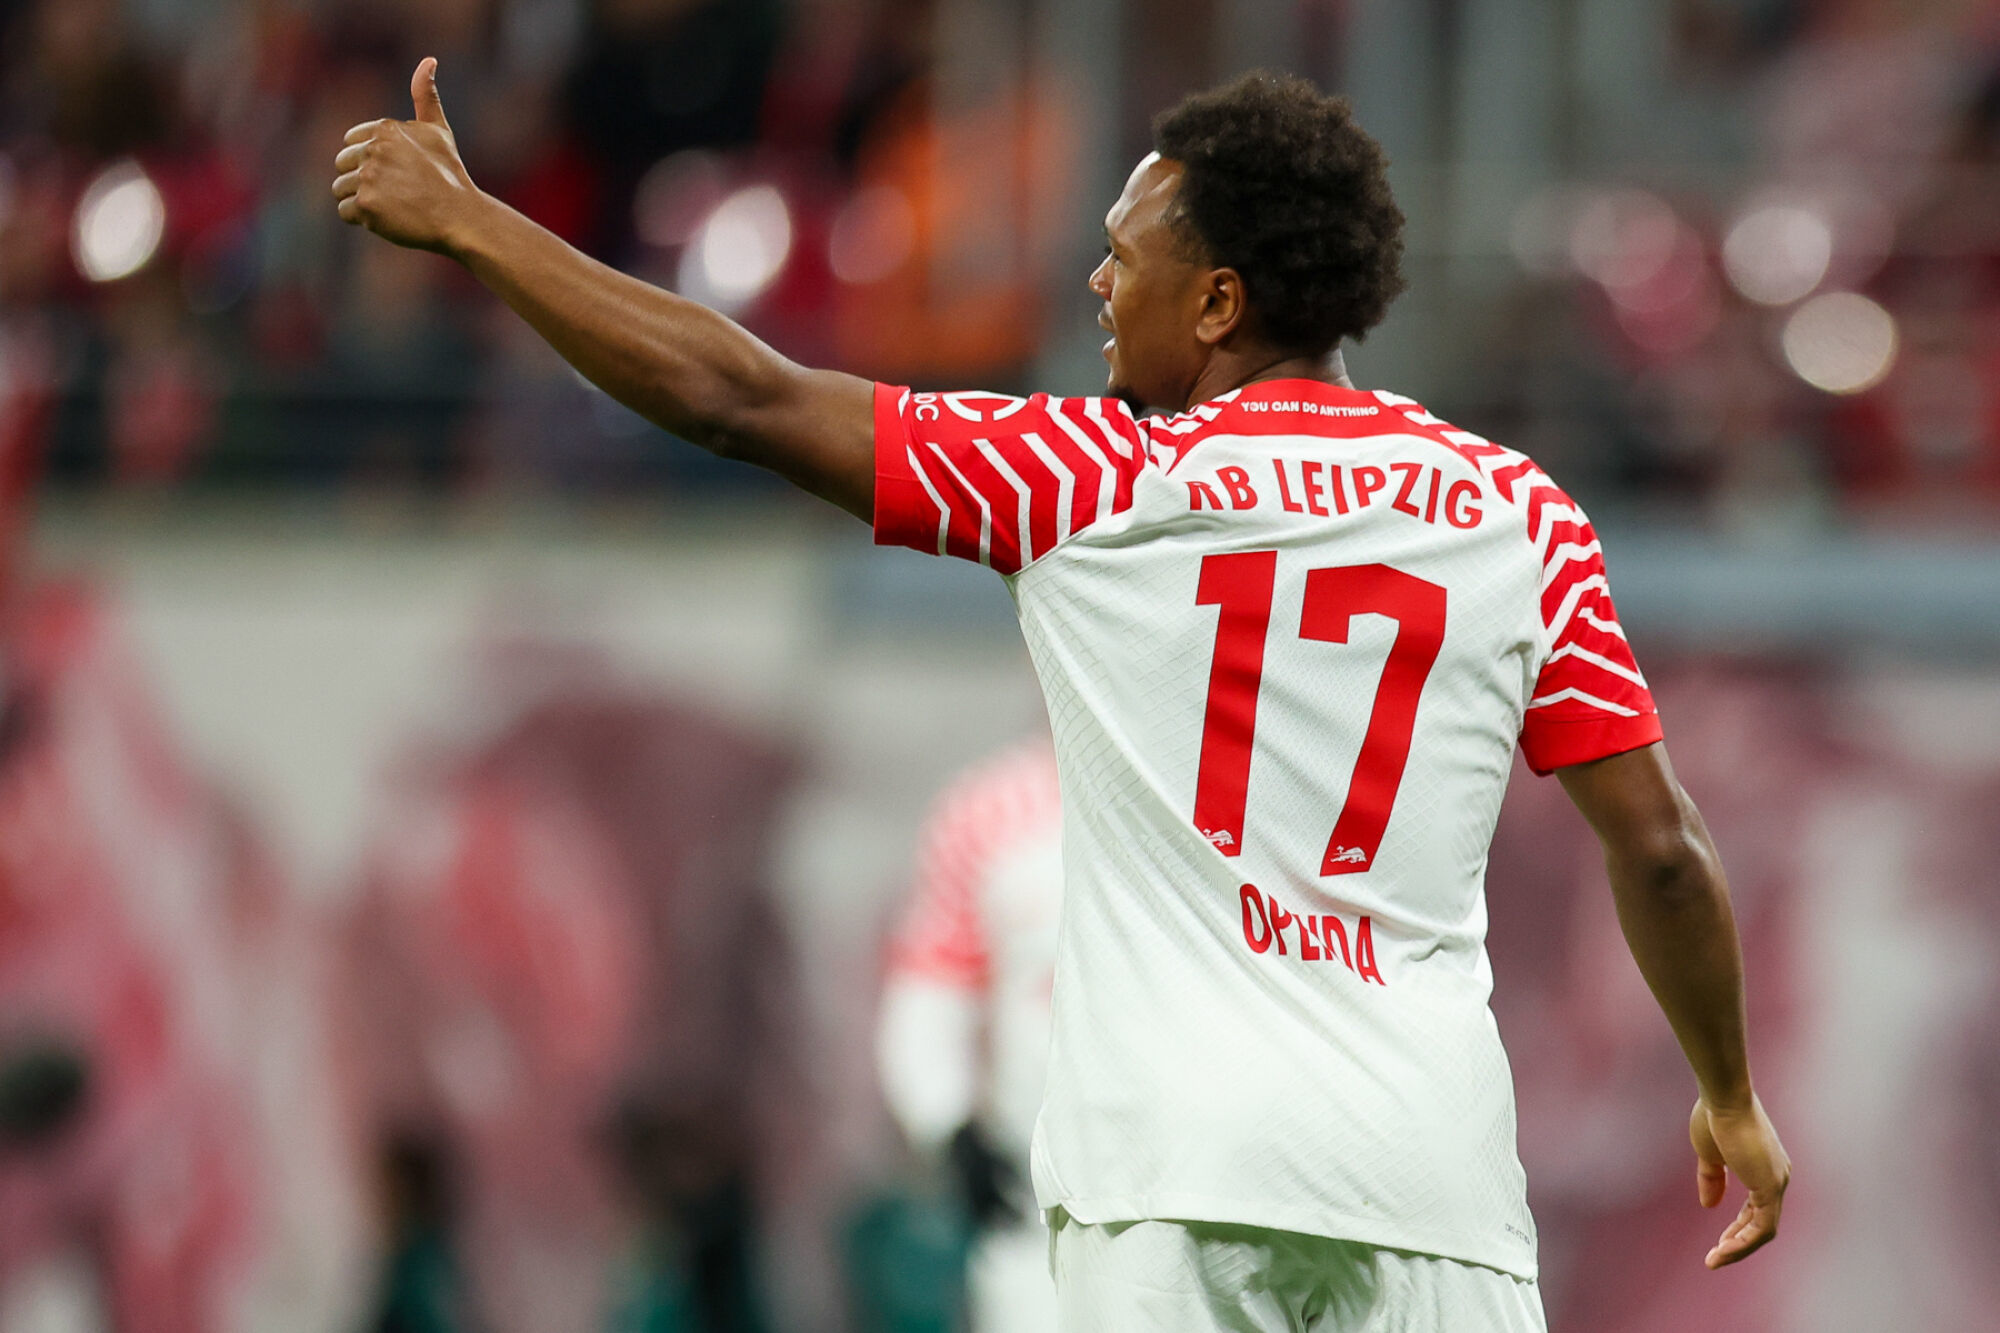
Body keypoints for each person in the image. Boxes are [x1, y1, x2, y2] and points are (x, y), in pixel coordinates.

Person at [333, 62, 1791, 1330]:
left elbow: (742, 397)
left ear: (1216, 300)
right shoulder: (1520, 514)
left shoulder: (1088, 481)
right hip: (1427, 1179)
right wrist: (1726, 1091)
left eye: (1122, 254)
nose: (1098, 285)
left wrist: (475, 225)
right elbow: (1659, 847)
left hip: (1167, 1176)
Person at [877, 737, 1064, 1333]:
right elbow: (929, 993)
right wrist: (950, 1128)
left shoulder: (1228, 792)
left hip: (1196, 1176)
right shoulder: (988, 811)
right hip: (1036, 1197)